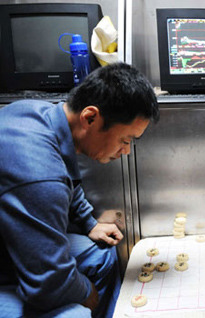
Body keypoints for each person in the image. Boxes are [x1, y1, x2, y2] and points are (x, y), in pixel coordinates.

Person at [0, 63, 159, 317]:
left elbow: (67, 177)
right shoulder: (39, 174)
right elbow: (46, 284)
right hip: (12, 265)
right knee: (76, 312)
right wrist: (87, 294)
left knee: (100, 256)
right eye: (125, 140)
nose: (126, 151)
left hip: (11, 241)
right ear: (90, 117)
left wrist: (88, 222)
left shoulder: (40, 115)